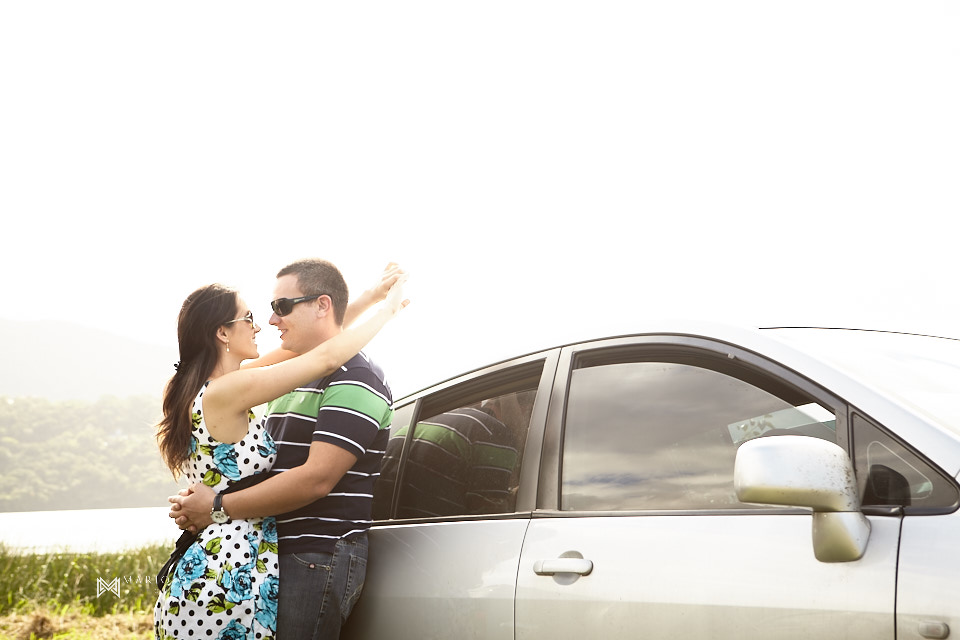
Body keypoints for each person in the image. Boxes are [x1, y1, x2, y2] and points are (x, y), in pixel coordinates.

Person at [155, 261, 406, 640]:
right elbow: (322, 357)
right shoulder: (229, 391)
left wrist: (366, 298)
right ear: (223, 332)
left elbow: (316, 345)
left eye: (279, 309)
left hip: (218, 560)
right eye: (250, 317)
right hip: (232, 562)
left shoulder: (197, 386)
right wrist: (388, 310)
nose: (263, 324)